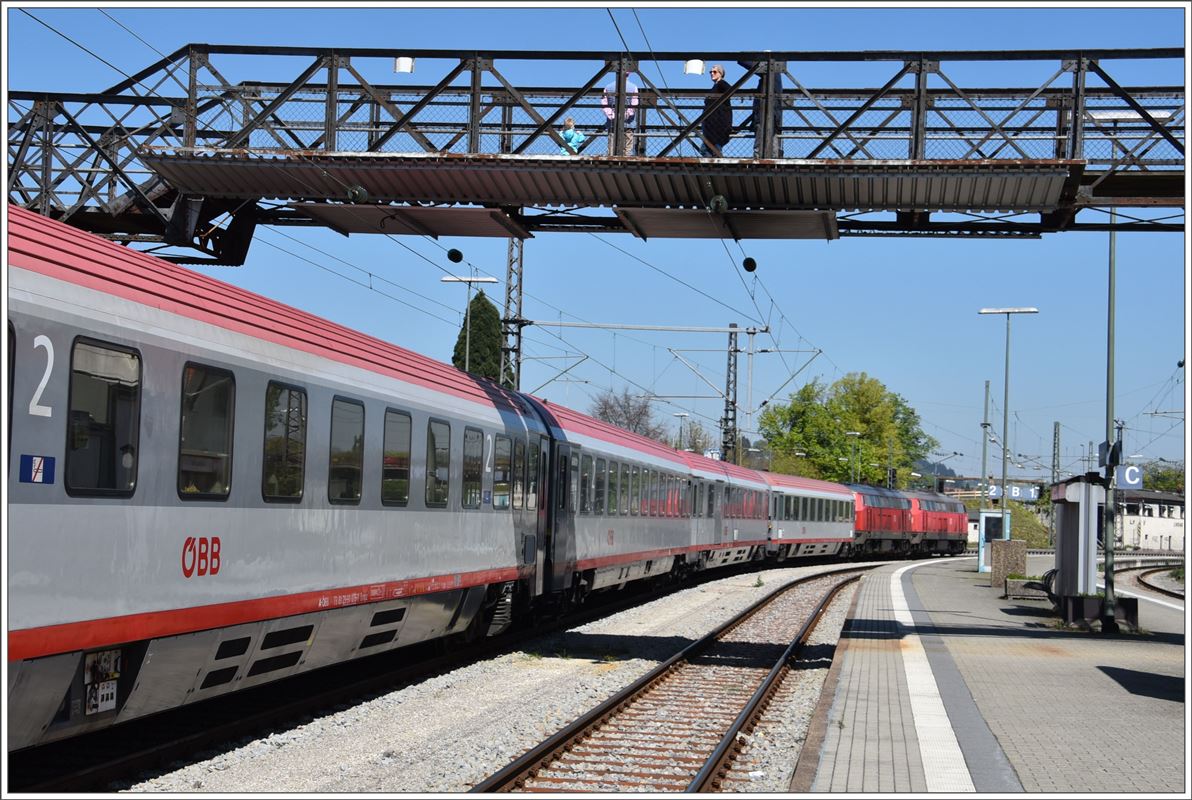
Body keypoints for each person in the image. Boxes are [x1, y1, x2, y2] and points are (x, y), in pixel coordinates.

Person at [737, 57, 784, 158]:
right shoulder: (773, 76)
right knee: (772, 140)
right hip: (771, 116)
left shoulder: (771, 71)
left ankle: (759, 159)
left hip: (765, 115)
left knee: (761, 140)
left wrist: (740, 57)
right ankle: (773, 161)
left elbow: (746, 62)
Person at [601, 72, 639, 155]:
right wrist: (627, 114)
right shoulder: (633, 87)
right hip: (628, 123)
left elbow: (604, 104)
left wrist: (612, 115)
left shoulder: (608, 87)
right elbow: (634, 104)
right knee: (627, 147)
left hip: (612, 123)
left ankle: (611, 157)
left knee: (612, 143)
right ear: (629, 75)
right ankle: (626, 159)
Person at [700, 64, 732, 157]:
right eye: (711, 72)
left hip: (717, 124)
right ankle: (712, 164)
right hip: (711, 125)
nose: (712, 73)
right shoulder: (715, 87)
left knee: (710, 149)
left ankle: (715, 164)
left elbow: (730, 90)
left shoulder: (721, 84)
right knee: (708, 149)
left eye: (715, 72)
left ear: (720, 73)